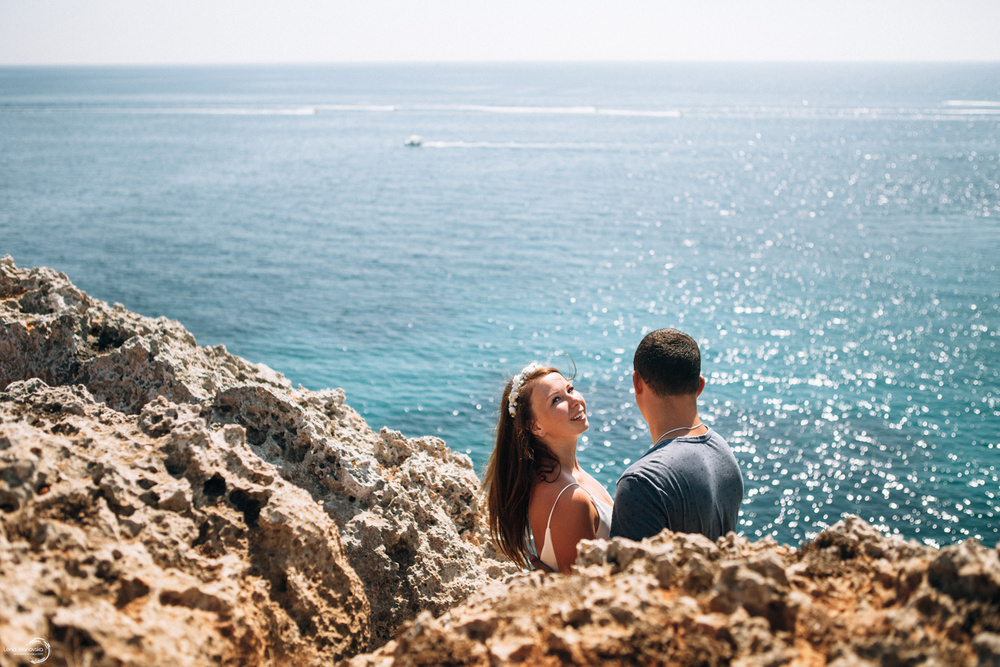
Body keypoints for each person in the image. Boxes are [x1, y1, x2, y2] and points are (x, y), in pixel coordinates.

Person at [610, 329, 743, 542]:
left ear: (637, 383)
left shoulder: (642, 483)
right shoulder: (724, 453)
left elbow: (628, 574)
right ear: (699, 386)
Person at [482, 363, 614, 573]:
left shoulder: (566, 477)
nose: (575, 400)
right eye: (556, 399)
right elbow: (584, 591)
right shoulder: (569, 500)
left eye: (570, 389)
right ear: (535, 426)